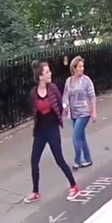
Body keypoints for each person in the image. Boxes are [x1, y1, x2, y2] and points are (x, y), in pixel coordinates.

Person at [25, 61, 81, 203]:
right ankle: (35, 192)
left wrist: (58, 118)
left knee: (59, 159)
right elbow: (34, 111)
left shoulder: (53, 89)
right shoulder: (33, 93)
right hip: (40, 131)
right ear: (40, 76)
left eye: (49, 71)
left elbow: (59, 106)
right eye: (47, 72)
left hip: (52, 129)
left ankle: (74, 186)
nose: (50, 74)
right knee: (34, 161)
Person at [63, 56, 97, 170]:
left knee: (75, 137)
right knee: (81, 137)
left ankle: (77, 160)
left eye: (83, 67)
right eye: (80, 67)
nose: (82, 69)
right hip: (74, 113)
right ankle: (88, 159)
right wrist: (65, 107)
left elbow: (92, 96)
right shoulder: (68, 81)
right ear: (74, 68)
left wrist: (94, 111)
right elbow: (65, 96)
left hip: (84, 112)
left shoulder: (86, 80)